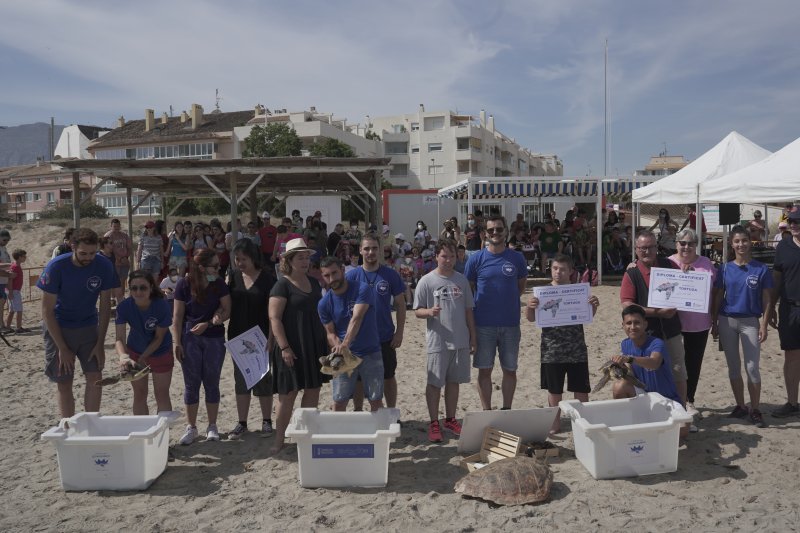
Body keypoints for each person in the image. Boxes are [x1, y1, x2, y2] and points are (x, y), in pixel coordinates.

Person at [37, 228, 119, 418]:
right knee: (64, 381)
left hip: (88, 327)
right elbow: (47, 311)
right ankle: (68, 426)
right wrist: (62, 348)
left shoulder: (104, 265)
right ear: (72, 246)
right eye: (83, 253)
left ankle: (91, 424)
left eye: (92, 253)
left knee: (95, 376)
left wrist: (100, 343)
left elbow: (105, 306)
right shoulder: (56, 266)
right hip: (59, 327)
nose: (88, 258)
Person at [525, 253, 599, 434]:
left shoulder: (579, 291)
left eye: (563, 269)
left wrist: (593, 305)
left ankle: (582, 423)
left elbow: (588, 316)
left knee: (581, 389)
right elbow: (530, 318)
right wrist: (529, 306)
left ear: (571, 271)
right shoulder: (542, 292)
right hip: (552, 350)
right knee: (554, 389)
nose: (558, 272)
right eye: (555, 268)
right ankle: (554, 423)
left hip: (577, 348)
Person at [268, 238, 330, 452]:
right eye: (300, 258)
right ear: (289, 261)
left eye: (306, 257)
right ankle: (279, 440)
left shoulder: (314, 282)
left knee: (313, 390)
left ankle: (304, 436)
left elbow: (322, 313)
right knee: (287, 395)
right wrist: (284, 347)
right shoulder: (281, 285)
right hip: (291, 346)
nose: (305, 261)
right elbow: (274, 318)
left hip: (313, 344)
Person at [414, 239, 476, 442]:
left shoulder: (462, 280)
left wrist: (473, 337)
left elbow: (468, 311)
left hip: (460, 340)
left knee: (454, 381)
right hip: (438, 341)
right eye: (444, 256)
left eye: (451, 256)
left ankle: (450, 419)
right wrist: (429, 312)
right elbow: (417, 311)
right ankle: (434, 422)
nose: (448, 260)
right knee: (434, 383)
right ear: (436, 257)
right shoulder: (426, 281)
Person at [710, 226, 773, 427]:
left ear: (749, 242)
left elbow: (767, 299)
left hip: (750, 322)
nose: (741, 244)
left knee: (752, 367)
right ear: (732, 244)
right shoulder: (725, 268)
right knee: (733, 366)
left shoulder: (761, 269)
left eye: (744, 240)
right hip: (727, 320)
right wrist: (714, 321)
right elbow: (718, 295)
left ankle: (755, 409)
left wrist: (764, 324)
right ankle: (740, 405)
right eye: (737, 241)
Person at [465, 215, 528, 410]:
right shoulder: (475, 259)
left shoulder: (517, 258)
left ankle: (507, 410)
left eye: (499, 229)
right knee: (485, 371)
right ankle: (487, 411)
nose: (495, 233)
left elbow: (520, 288)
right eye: (491, 230)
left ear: (506, 231)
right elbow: (468, 291)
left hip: (511, 325)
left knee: (510, 370)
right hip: (483, 325)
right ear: (485, 233)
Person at [620, 230, 688, 406]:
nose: (647, 251)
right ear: (636, 249)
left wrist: (689, 273)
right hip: (646, 334)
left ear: (657, 247)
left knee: (678, 371)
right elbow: (627, 304)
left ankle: (681, 410)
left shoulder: (670, 265)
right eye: (642, 248)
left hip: (671, 330)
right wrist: (656, 313)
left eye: (650, 247)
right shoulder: (632, 273)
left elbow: (685, 286)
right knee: (650, 372)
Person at [172, 248, 231, 445]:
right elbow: (177, 317)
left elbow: (227, 309)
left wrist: (213, 321)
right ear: (201, 267)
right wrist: (177, 342)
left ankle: (212, 426)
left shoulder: (219, 283)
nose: (218, 269)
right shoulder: (184, 284)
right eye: (215, 266)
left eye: (219, 265)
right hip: (190, 338)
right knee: (191, 384)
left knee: (212, 382)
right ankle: (191, 427)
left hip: (214, 337)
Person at [347, 234, 406, 411]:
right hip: (358, 339)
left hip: (384, 337)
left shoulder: (390, 274)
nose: (370, 252)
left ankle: (391, 412)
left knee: (388, 376)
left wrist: (399, 333)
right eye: (366, 248)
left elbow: (401, 304)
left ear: (379, 250)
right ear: (360, 250)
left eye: (374, 248)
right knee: (358, 378)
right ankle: (358, 412)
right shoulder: (351, 276)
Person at [318, 256, 383, 412]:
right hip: (343, 357)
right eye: (327, 275)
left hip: (370, 352)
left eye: (334, 273)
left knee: (375, 400)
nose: (331, 279)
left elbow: (357, 318)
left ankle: (379, 428)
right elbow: (330, 333)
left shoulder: (362, 288)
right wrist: (338, 347)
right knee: (339, 401)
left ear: (342, 270)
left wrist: (345, 344)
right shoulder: (323, 303)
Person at [226, 239, 276, 440]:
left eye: (243, 259)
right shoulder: (233, 277)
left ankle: (267, 421)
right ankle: (242, 422)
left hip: (261, 338)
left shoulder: (268, 279)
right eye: (236, 259)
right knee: (241, 380)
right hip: (237, 337)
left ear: (253, 257)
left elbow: (273, 313)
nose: (239, 263)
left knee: (263, 378)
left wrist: (271, 338)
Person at [612, 305, 686, 437]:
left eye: (637, 322)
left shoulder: (657, 343)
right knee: (619, 386)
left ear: (645, 324)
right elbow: (631, 374)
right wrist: (621, 369)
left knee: (683, 430)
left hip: (666, 399)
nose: (632, 327)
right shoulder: (625, 344)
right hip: (644, 396)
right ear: (622, 325)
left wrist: (630, 359)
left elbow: (654, 363)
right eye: (628, 323)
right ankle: (628, 423)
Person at [669, 228, 717, 419]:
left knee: (693, 363)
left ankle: (689, 399)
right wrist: (633, 264)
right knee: (674, 363)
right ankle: (673, 399)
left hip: (699, 323)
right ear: (676, 244)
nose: (686, 247)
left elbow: (716, 291)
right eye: (682, 243)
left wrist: (715, 319)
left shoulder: (706, 263)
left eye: (691, 243)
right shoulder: (668, 262)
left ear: (696, 245)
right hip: (673, 322)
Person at [114, 270, 174, 415]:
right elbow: (119, 338)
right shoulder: (124, 307)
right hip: (135, 349)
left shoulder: (161, 305)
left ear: (151, 288)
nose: (138, 292)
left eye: (143, 287)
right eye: (134, 288)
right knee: (140, 394)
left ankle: (163, 429)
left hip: (161, 351)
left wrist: (143, 357)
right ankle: (142, 429)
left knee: (161, 394)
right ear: (129, 289)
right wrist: (124, 357)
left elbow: (159, 338)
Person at [769, 208, 800, 417]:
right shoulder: (783, 246)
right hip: (790, 308)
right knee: (792, 356)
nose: (794, 225)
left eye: (798, 221)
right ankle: (792, 403)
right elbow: (777, 279)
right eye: (792, 221)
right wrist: (771, 306)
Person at [105, 219, 132, 302]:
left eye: (118, 226)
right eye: (114, 226)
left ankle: (121, 298)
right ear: (111, 226)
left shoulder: (124, 235)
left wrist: (126, 257)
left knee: (122, 280)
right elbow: (107, 249)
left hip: (124, 261)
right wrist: (118, 259)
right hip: (113, 262)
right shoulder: (108, 236)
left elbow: (129, 247)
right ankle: (113, 298)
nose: (116, 228)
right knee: (113, 281)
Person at [5, 249, 27, 333]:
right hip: (13, 291)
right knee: (19, 310)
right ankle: (18, 328)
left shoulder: (15, 266)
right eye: (24, 256)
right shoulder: (15, 267)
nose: (25, 258)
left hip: (13, 290)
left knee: (12, 310)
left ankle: (8, 327)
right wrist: (10, 292)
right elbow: (10, 279)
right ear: (19, 257)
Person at [0, 230, 11, 333]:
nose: (6, 242)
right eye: (4, 240)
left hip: (4, 281)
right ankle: (1, 326)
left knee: (2, 303)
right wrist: (11, 266)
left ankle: (2, 324)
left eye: (8, 240)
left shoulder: (4, 249)